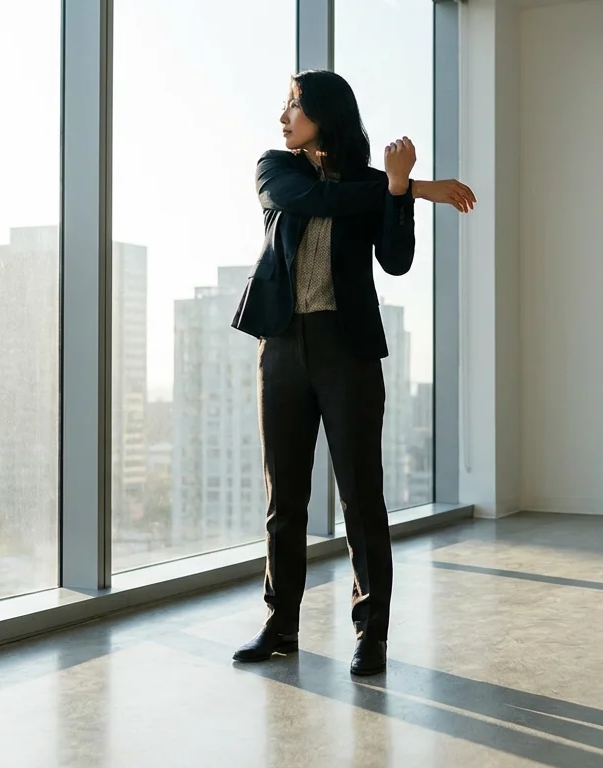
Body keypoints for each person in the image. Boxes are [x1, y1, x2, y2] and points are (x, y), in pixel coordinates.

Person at [230, 69, 475, 676]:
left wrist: (396, 195)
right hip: (284, 346)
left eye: (294, 106)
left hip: (349, 351)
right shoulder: (275, 169)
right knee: (284, 496)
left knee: (362, 497)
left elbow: (395, 261)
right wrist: (410, 187)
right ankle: (280, 625)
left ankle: (373, 636)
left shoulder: (372, 186)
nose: (283, 118)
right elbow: (312, 200)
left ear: (325, 113)